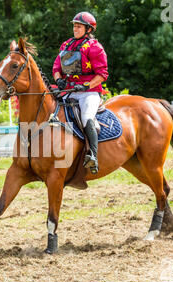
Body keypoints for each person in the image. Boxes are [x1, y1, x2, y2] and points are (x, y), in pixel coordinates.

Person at [52, 12, 108, 174]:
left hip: (88, 93)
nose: (75, 29)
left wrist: (86, 86)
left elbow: (102, 74)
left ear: (88, 29)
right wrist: (58, 80)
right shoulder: (66, 45)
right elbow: (57, 67)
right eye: (74, 26)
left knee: (86, 118)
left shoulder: (94, 47)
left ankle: (93, 156)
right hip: (68, 90)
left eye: (79, 26)